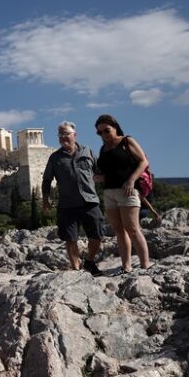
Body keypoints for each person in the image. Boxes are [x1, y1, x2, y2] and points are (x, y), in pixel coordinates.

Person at [42, 121, 104, 276]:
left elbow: (100, 170)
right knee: (70, 238)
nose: (63, 137)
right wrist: (45, 200)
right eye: (60, 134)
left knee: (97, 234)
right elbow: (47, 179)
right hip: (67, 204)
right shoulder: (55, 158)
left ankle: (89, 261)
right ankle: (76, 270)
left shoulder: (87, 151)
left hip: (89, 200)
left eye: (66, 133)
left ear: (74, 135)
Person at [95, 114, 152, 275]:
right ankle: (126, 266)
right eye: (99, 133)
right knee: (118, 230)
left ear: (115, 127)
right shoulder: (103, 148)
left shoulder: (127, 141)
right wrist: (101, 177)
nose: (104, 135)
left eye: (106, 130)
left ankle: (145, 265)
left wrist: (131, 180)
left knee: (133, 228)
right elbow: (109, 170)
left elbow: (143, 161)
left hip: (127, 190)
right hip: (109, 192)